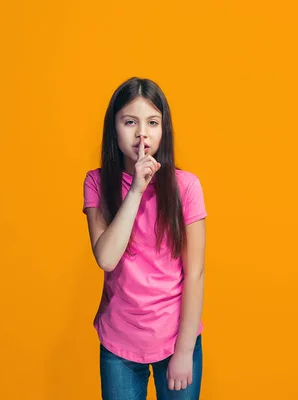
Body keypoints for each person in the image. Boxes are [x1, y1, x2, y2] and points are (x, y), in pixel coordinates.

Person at [82, 77, 207, 400]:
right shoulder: (96, 183)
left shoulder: (186, 187)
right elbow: (106, 258)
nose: (142, 133)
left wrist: (183, 351)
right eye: (130, 122)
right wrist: (137, 188)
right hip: (119, 343)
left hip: (175, 339)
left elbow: (194, 273)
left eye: (152, 122)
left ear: (163, 129)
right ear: (115, 128)